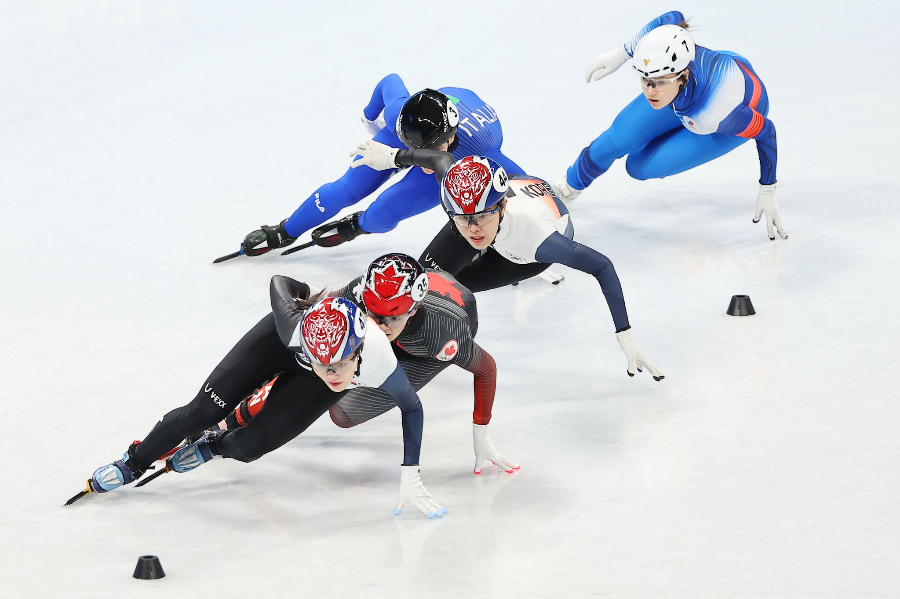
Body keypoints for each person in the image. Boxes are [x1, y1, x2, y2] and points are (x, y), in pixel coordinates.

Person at [77, 284, 446, 518]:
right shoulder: (292, 327)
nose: (331, 375)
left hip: (309, 367)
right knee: (200, 413)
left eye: (340, 365)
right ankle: (135, 461)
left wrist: (410, 472)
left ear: (359, 349)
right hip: (275, 345)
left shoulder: (380, 358)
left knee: (252, 447)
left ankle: (214, 447)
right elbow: (279, 284)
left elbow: (411, 407)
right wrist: (306, 295)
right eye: (323, 364)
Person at [350, 141, 664, 381]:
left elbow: (602, 266)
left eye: (482, 217)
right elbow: (438, 159)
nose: (473, 229)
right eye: (461, 218)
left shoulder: (540, 241)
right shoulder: (467, 207)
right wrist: (390, 157)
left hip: (523, 254)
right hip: (505, 202)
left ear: (500, 207)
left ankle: (395, 351)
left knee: (447, 291)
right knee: (421, 279)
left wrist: (626, 335)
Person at [217, 253, 518, 474]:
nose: (382, 326)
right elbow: (313, 326)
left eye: (393, 318)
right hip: (420, 305)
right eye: (374, 314)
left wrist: (482, 435)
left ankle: (247, 411)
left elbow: (486, 368)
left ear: (412, 311)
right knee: (326, 356)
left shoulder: (442, 338)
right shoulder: (358, 293)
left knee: (344, 412)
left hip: (423, 349)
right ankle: (240, 413)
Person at [555, 11, 787, 241]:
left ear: (683, 75)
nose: (649, 91)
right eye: (644, 79)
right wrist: (620, 54)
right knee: (614, 141)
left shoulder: (720, 112)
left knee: (638, 167)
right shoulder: (668, 61)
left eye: (658, 83)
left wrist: (768, 187)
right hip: (686, 93)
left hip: (728, 113)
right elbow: (673, 17)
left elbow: (766, 130)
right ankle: (567, 188)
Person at [234, 75, 525, 258]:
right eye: (415, 146)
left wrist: (525, 229)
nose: (423, 156)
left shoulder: (483, 152)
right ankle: (286, 229)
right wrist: (372, 119)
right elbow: (389, 81)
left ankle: (358, 225)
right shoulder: (403, 113)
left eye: (432, 148)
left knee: (384, 212)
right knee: (346, 190)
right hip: (402, 141)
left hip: (436, 150)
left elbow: (527, 184)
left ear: (451, 137)